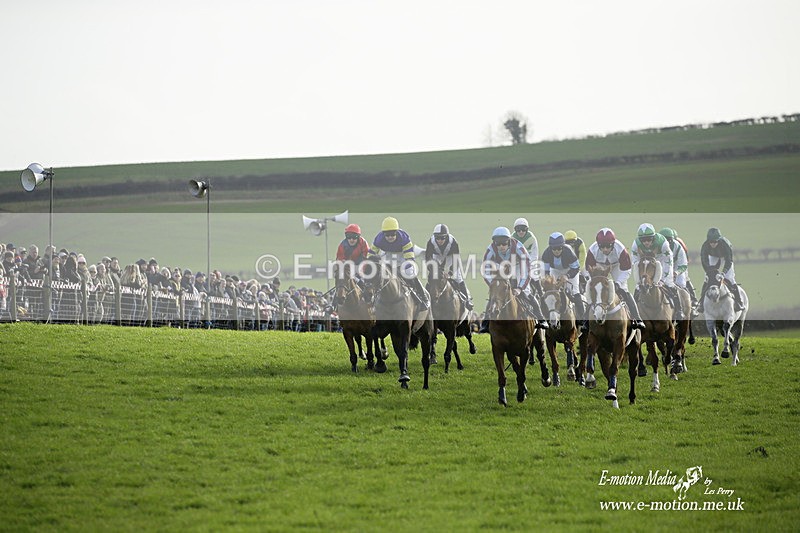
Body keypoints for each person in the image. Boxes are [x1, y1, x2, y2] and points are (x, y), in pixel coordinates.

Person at [481, 226, 547, 331]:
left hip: (519, 266)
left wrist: (520, 288)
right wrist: (494, 285)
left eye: (504, 244)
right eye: (498, 244)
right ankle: (485, 322)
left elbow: (527, 270)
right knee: (495, 294)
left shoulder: (518, 247)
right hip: (502, 267)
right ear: (495, 243)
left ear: (509, 241)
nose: (501, 247)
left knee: (526, 292)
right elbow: (485, 269)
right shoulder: (491, 249)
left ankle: (541, 319)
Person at [585, 228, 645, 329]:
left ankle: (637, 318)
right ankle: (585, 320)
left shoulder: (620, 249)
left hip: (617, 266)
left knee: (624, 290)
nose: (605, 249)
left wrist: (618, 283)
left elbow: (626, 269)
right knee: (593, 291)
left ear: (613, 244)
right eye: (602, 247)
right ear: (598, 245)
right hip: (599, 266)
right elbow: (588, 269)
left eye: (608, 246)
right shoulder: (592, 250)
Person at [370, 216, 429, 308]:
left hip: (403, 255)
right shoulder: (378, 239)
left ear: (396, 232)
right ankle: (374, 299)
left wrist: (400, 269)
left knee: (410, 273)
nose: (390, 237)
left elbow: (409, 259)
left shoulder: (404, 238)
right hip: (388, 254)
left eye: (392, 234)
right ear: (383, 234)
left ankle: (423, 297)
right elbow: (371, 254)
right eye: (387, 235)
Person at [631, 223, 683, 319]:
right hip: (644, 260)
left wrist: (663, 280)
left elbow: (668, 262)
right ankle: (634, 314)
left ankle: (679, 311)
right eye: (643, 240)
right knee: (638, 287)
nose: (646, 242)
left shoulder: (663, 243)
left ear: (653, 237)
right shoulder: (636, 244)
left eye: (649, 239)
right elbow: (635, 264)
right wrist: (639, 280)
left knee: (670, 284)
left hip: (661, 259)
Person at [541, 232, 587, 332]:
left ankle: (583, 321)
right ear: (550, 248)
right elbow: (546, 272)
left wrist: (567, 276)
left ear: (563, 246)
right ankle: (545, 318)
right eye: (554, 249)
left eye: (559, 248)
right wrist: (548, 282)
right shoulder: (546, 254)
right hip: (555, 271)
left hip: (570, 270)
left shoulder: (569, 252)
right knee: (550, 293)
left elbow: (576, 268)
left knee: (575, 292)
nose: (557, 251)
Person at [424, 223, 473, 310]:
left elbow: (456, 259)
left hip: (450, 258)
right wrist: (432, 269)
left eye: (442, 238)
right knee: (433, 278)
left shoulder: (453, 242)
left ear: (446, 237)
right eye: (437, 238)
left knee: (458, 277)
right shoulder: (431, 242)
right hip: (437, 257)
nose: (440, 240)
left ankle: (467, 300)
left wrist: (450, 273)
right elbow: (428, 258)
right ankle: (425, 299)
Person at [696, 227, 742, 312]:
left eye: (715, 242)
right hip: (713, 256)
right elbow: (704, 260)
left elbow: (729, 261)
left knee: (730, 278)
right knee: (707, 279)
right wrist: (708, 272)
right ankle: (701, 304)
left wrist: (723, 273)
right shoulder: (705, 246)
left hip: (725, 257)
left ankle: (739, 302)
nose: (713, 244)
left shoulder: (725, 244)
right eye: (711, 242)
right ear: (708, 240)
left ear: (719, 240)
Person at [659, 227, 699, 313]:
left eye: (669, 240)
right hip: (664, 265)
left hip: (677, 264)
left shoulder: (678, 246)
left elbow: (683, 264)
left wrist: (676, 272)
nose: (667, 243)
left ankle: (691, 302)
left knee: (681, 283)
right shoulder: (658, 246)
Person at [512, 217, 542, 294]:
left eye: (523, 229)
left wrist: (528, 265)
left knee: (534, 275)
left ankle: (540, 293)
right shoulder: (512, 238)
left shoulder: (532, 238)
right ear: (515, 230)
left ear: (527, 229)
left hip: (530, 262)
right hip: (518, 263)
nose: (521, 232)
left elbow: (534, 254)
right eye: (518, 230)